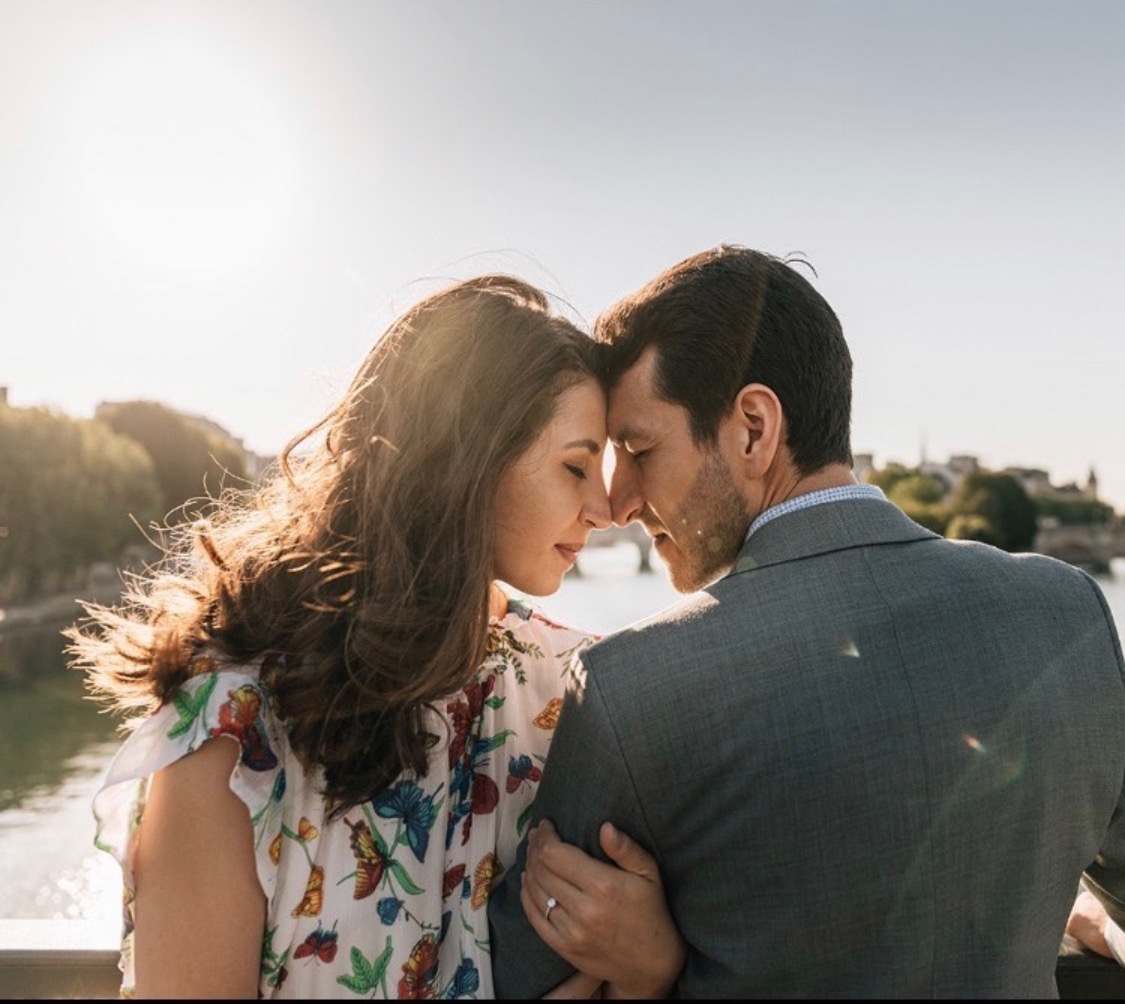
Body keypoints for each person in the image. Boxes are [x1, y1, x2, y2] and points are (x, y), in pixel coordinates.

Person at [489, 246, 1125, 997]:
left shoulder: (635, 687)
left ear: (752, 429)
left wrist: (660, 967)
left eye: (637, 450)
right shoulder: (1066, 610)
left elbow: (518, 975)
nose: (619, 502)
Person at [70, 276, 683, 999]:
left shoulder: (574, 690)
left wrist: (651, 967)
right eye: (576, 466)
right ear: (465, 462)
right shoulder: (236, 733)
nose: (605, 507)